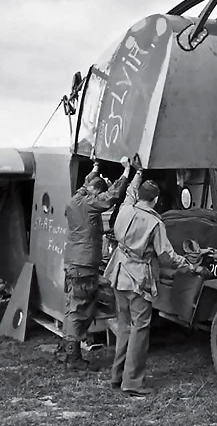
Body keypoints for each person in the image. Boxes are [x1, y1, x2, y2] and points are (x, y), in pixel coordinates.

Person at [104, 155, 203, 397]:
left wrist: (137, 172)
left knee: (125, 326)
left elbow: (129, 192)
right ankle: (133, 382)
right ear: (157, 200)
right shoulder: (154, 223)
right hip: (138, 279)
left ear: (140, 196)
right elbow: (167, 256)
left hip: (118, 274)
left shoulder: (126, 208)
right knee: (140, 329)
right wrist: (191, 267)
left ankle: (118, 376)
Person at [62, 157, 131, 370]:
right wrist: (126, 172)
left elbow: (87, 182)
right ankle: (72, 358)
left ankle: (67, 350)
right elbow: (110, 197)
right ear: (94, 192)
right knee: (79, 309)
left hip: (75, 263)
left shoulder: (77, 198)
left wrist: (96, 168)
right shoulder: (89, 203)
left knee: (73, 306)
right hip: (83, 264)